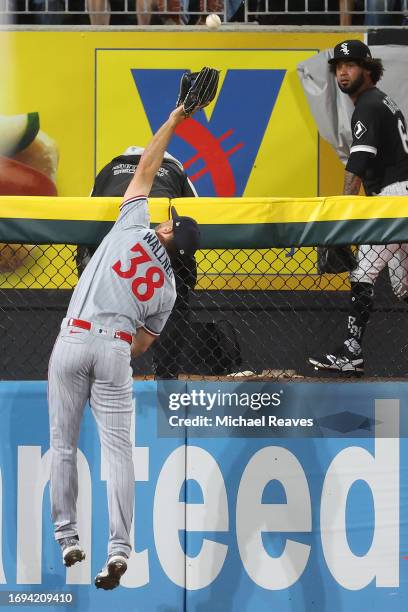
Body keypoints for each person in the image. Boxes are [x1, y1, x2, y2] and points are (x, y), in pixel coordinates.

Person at [48, 104, 200, 590]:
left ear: (166, 229)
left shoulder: (133, 224)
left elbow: (147, 167)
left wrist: (177, 117)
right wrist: (113, 348)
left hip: (74, 336)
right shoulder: (170, 289)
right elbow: (145, 343)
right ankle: (118, 549)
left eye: (170, 220)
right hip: (116, 351)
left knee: (63, 446)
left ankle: (68, 536)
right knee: (119, 454)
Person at [308, 39, 408, 374]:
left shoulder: (367, 104)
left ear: (368, 69)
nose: (342, 72)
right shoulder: (381, 101)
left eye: (350, 65)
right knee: (404, 286)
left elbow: (359, 163)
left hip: (392, 199)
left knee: (362, 273)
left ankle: (351, 352)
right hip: (400, 195)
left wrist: (343, 218)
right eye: (338, 67)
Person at [76, 146, 198, 379]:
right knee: (178, 294)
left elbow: (84, 228)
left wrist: (85, 275)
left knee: (92, 297)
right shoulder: (175, 171)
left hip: (113, 246)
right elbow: (194, 221)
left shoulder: (109, 170)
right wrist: (185, 279)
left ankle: (94, 364)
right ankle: (167, 375)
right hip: (144, 241)